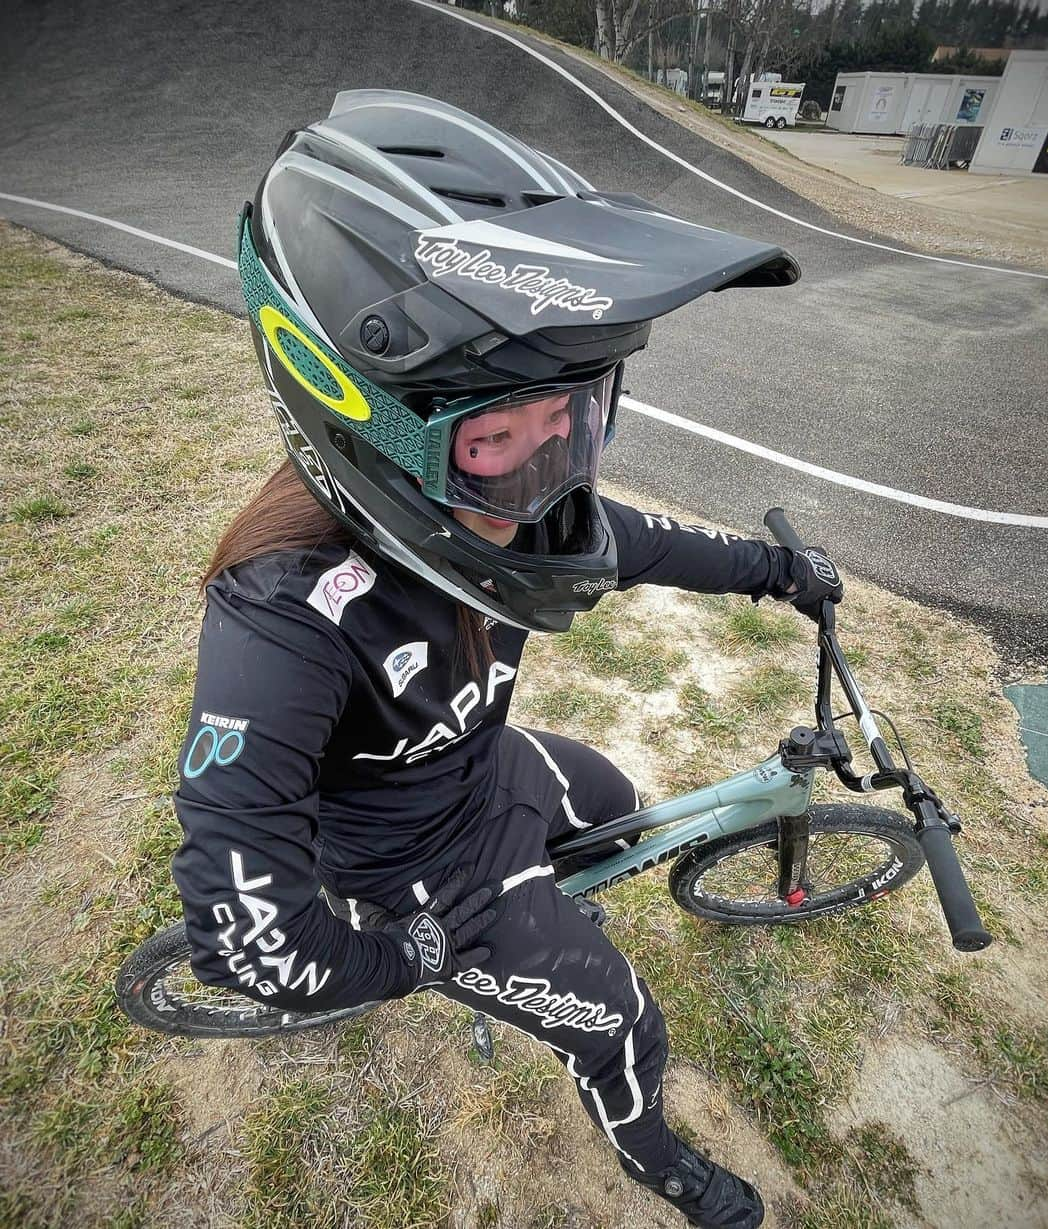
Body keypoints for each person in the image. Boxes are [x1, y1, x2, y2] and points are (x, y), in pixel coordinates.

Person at [172, 91, 841, 1229]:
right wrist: (410, 959)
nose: (545, 490)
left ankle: (548, 916)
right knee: (624, 1016)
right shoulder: (281, 623)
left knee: (623, 805)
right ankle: (661, 1163)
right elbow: (249, 937)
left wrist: (779, 574)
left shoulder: (505, 515)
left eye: (570, 421)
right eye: (493, 443)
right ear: (368, 420)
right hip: (418, 871)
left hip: (485, 768)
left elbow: (632, 538)